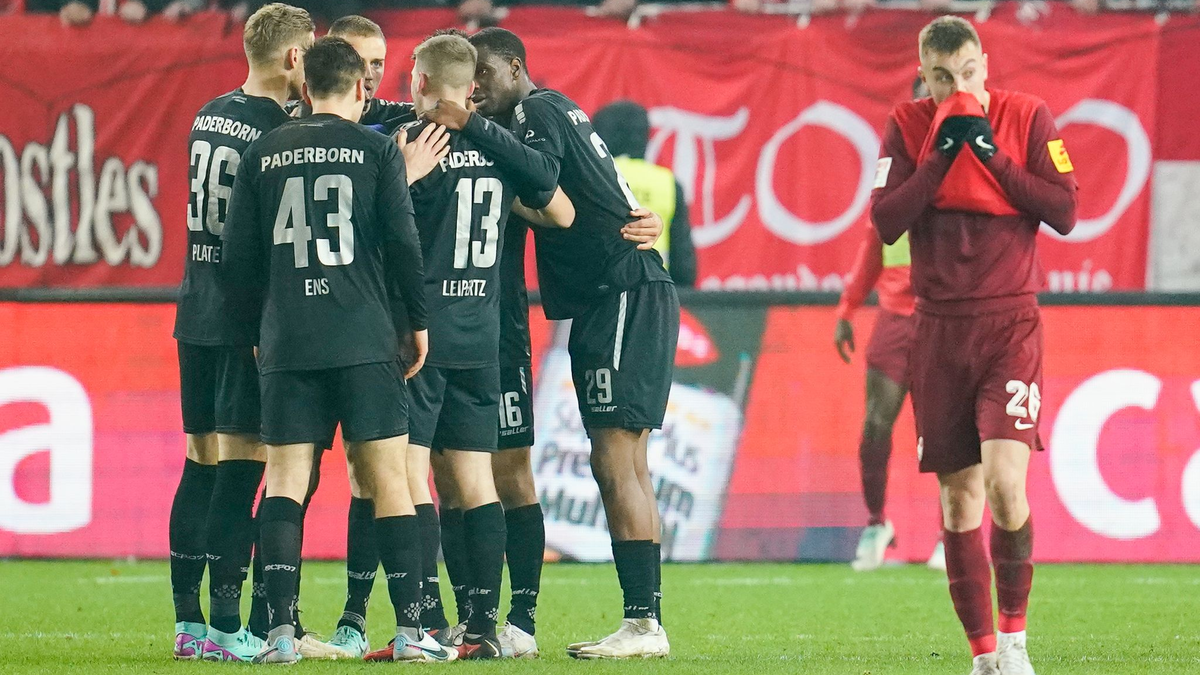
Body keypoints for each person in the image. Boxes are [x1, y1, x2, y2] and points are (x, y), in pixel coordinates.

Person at [425, 26, 677, 660]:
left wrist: (476, 142)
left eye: (485, 73)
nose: (476, 88)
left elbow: (548, 187)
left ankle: (644, 624)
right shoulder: (556, 110)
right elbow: (575, 197)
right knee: (624, 463)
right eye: (467, 78)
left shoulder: (535, 112)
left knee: (616, 460)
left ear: (516, 66)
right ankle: (638, 622)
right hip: (618, 290)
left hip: (620, 290)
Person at [219, 36, 455, 665]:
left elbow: (236, 259)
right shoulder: (378, 150)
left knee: (286, 483)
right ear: (359, 88)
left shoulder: (263, 151)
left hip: (288, 339)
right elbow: (404, 246)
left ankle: (280, 635)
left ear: (303, 89)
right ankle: (410, 633)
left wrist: (253, 333)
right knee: (388, 481)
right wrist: (419, 324)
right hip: (364, 337)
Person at [870, 16, 1076, 675]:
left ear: (985, 65)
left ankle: (1016, 642)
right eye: (940, 76)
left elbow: (1064, 210)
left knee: (1005, 484)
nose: (954, 86)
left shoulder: (1028, 115)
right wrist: (940, 157)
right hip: (937, 330)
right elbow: (885, 219)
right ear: (923, 73)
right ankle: (983, 654)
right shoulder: (906, 125)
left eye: (965, 73)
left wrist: (988, 153)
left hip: (1010, 323)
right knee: (958, 496)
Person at [168, 3, 313, 663]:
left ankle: (190, 626)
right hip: (241, 315)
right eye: (309, 52)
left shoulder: (210, 111)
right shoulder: (276, 130)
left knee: (199, 466)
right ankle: (230, 627)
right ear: (292, 59)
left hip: (193, 306)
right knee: (240, 471)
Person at [836, 76, 946, 573]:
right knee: (875, 427)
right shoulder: (895, 162)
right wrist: (846, 308)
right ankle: (877, 523)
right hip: (897, 317)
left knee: (945, 432)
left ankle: (954, 533)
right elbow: (872, 244)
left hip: (947, 317)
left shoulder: (969, 156)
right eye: (925, 91)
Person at [592, 100, 697, 288]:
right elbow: (683, 264)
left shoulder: (592, 178)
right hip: (654, 292)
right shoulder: (668, 183)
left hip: (596, 292)